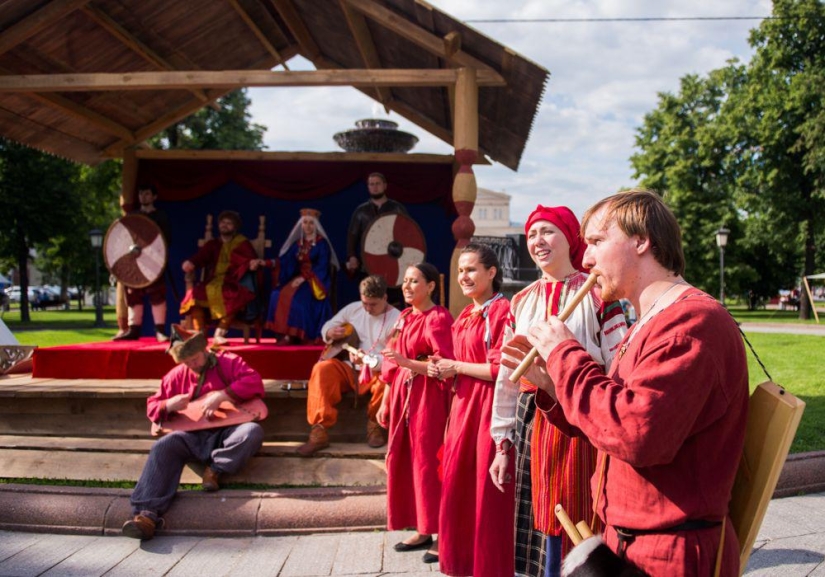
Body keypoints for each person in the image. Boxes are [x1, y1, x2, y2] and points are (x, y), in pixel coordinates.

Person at [512, 189, 749, 576]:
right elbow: (611, 418)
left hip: (669, 554)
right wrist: (554, 386)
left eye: (597, 242)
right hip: (632, 544)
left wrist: (565, 355)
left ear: (641, 240)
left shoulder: (689, 323)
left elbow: (636, 434)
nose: (585, 258)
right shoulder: (651, 322)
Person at [489, 205, 627, 577]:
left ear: (570, 239)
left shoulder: (599, 295)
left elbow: (620, 363)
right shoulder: (520, 302)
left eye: (548, 232)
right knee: (541, 511)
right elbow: (506, 376)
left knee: (583, 503)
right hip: (532, 418)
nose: (538, 241)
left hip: (584, 416)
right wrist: (502, 445)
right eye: (532, 234)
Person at [121, 324, 265, 541]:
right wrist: (168, 405)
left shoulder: (229, 361)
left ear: (204, 349)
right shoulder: (176, 375)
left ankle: (215, 469)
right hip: (192, 436)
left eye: (195, 359)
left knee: (251, 432)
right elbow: (153, 406)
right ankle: (146, 516)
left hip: (229, 430)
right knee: (164, 445)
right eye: (186, 362)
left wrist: (222, 396)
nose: (192, 365)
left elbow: (254, 381)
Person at [430, 243, 515, 577]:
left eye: (471, 270)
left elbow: (500, 371)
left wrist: (456, 366)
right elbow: (457, 365)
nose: (463, 277)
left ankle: (490, 568)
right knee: (458, 486)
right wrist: (439, 368)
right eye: (460, 271)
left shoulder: (502, 310)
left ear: (491, 273)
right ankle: (462, 564)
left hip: (489, 409)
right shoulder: (465, 314)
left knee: (486, 492)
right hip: (462, 407)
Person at [377, 262, 453, 565]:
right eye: (405, 281)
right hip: (402, 395)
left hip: (428, 398)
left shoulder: (438, 318)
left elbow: (445, 366)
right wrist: (384, 400)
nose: (407, 287)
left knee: (427, 462)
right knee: (406, 459)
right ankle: (422, 528)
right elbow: (390, 363)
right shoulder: (405, 317)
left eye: (414, 281)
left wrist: (408, 363)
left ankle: (440, 533)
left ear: (431, 286)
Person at [296, 274, 401, 457]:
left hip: (378, 373)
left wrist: (368, 360)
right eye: (365, 303)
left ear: (385, 298)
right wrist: (330, 332)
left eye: (373, 304)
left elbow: (395, 360)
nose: (367, 309)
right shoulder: (354, 309)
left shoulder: (398, 319)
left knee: (389, 379)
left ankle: (375, 425)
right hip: (350, 370)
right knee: (322, 369)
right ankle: (319, 430)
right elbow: (327, 326)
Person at [180, 210, 262, 346]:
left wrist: (251, 264)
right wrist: (191, 263)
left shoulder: (242, 243)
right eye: (223, 222)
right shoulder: (213, 244)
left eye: (229, 223)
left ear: (235, 227)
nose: (225, 225)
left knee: (235, 295)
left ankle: (220, 334)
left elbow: (250, 260)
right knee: (194, 295)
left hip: (233, 282)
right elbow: (201, 257)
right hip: (213, 282)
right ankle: (199, 334)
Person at [266, 209, 338, 345]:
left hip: (314, 281)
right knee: (277, 294)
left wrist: (304, 278)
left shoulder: (322, 244)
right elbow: (286, 260)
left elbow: (322, 266)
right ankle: (284, 333)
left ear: (316, 225)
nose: (308, 226)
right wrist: (268, 262)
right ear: (301, 225)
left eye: (311, 223)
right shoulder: (298, 243)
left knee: (299, 299)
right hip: (298, 279)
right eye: (305, 222)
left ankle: (296, 335)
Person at [114, 183, 172, 342]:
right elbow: (124, 238)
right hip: (135, 261)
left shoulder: (160, 216)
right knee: (133, 295)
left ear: (154, 197)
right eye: (141, 194)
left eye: (147, 194)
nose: (143, 197)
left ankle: (160, 331)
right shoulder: (133, 216)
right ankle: (134, 329)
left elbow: (166, 240)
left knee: (157, 294)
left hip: (154, 261)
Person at [346, 172, 409, 278]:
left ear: (385, 186)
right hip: (368, 263)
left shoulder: (397, 208)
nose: (375, 187)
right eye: (371, 184)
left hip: (392, 261)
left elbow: (408, 233)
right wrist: (352, 256)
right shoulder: (361, 211)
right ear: (368, 187)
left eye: (378, 184)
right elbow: (352, 236)